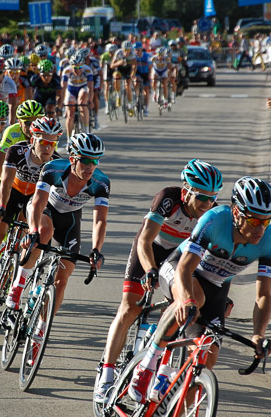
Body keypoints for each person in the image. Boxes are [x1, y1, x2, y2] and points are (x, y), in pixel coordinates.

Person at [127, 177, 271, 404]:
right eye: (254, 221)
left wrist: (259, 334)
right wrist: (186, 300)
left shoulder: (270, 240)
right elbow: (185, 267)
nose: (260, 228)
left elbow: (264, 295)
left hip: (216, 285)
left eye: (266, 221)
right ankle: (147, 365)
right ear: (236, 212)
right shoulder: (214, 219)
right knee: (194, 298)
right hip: (181, 268)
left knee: (207, 356)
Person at [94, 159, 224, 404]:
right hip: (152, 249)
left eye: (212, 198)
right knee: (130, 307)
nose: (207, 204)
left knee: (184, 306)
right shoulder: (168, 199)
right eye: (202, 198)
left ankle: (160, 364)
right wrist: (151, 270)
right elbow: (145, 241)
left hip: (180, 258)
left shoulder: (212, 215)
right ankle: (107, 373)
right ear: (186, 192)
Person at [13, 133, 110, 362]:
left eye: (96, 161)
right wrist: (33, 231)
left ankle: (40, 332)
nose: (90, 167)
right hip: (44, 210)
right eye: (86, 160)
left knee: (62, 278)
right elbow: (37, 203)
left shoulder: (101, 182)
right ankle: (18, 286)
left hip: (70, 220)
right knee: (44, 233)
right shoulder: (53, 169)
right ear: (73, 158)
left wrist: (96, 249)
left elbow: (99, 220)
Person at [0, 116, 62, 318]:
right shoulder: (17, 151)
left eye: (52, 143)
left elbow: (47, 202)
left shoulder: (55, 163)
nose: (48, 147)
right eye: (43, 141)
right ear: (33, 139)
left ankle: (14, 286)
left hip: (32, 200)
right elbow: (6, 182)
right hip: (12, 192)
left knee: (34, 240)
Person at [62, 52, 94, 138]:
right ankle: (69, 139)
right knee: (70, 114)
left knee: (82, 103)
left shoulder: (87, 70)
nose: (78, 70)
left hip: (82, 88)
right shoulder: (66, 71)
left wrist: (90, 100)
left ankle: (87, 131)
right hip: (71, 90)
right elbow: (63, 88)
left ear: (83, 66)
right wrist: (61, 101)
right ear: (71, 66)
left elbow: (90, 87)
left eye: (80, 67)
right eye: (75, 68)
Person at [111, 41, 137, 114]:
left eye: (128, 50)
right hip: (119, 69)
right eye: (125, 50)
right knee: (116, 77)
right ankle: (118, 95)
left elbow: (135, 65)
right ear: (122, 49)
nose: (126, 52)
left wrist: (133, 73)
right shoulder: (118, 53)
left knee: (128, 86)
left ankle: (130, 105)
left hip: (128, 69)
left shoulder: (132, 53)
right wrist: (119, 62)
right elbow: (112, 65)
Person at [133, 42, 152, 116]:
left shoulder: (147, 56)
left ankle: (146, 108)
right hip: (137, 72)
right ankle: (135, 95)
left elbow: (150, 68)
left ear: (141, 49)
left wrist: (149, 77)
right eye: (135, 50)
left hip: (145, 73)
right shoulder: (134, 57)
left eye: (138, 50)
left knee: (146, 90)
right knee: (136, 81)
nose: (137, 51)